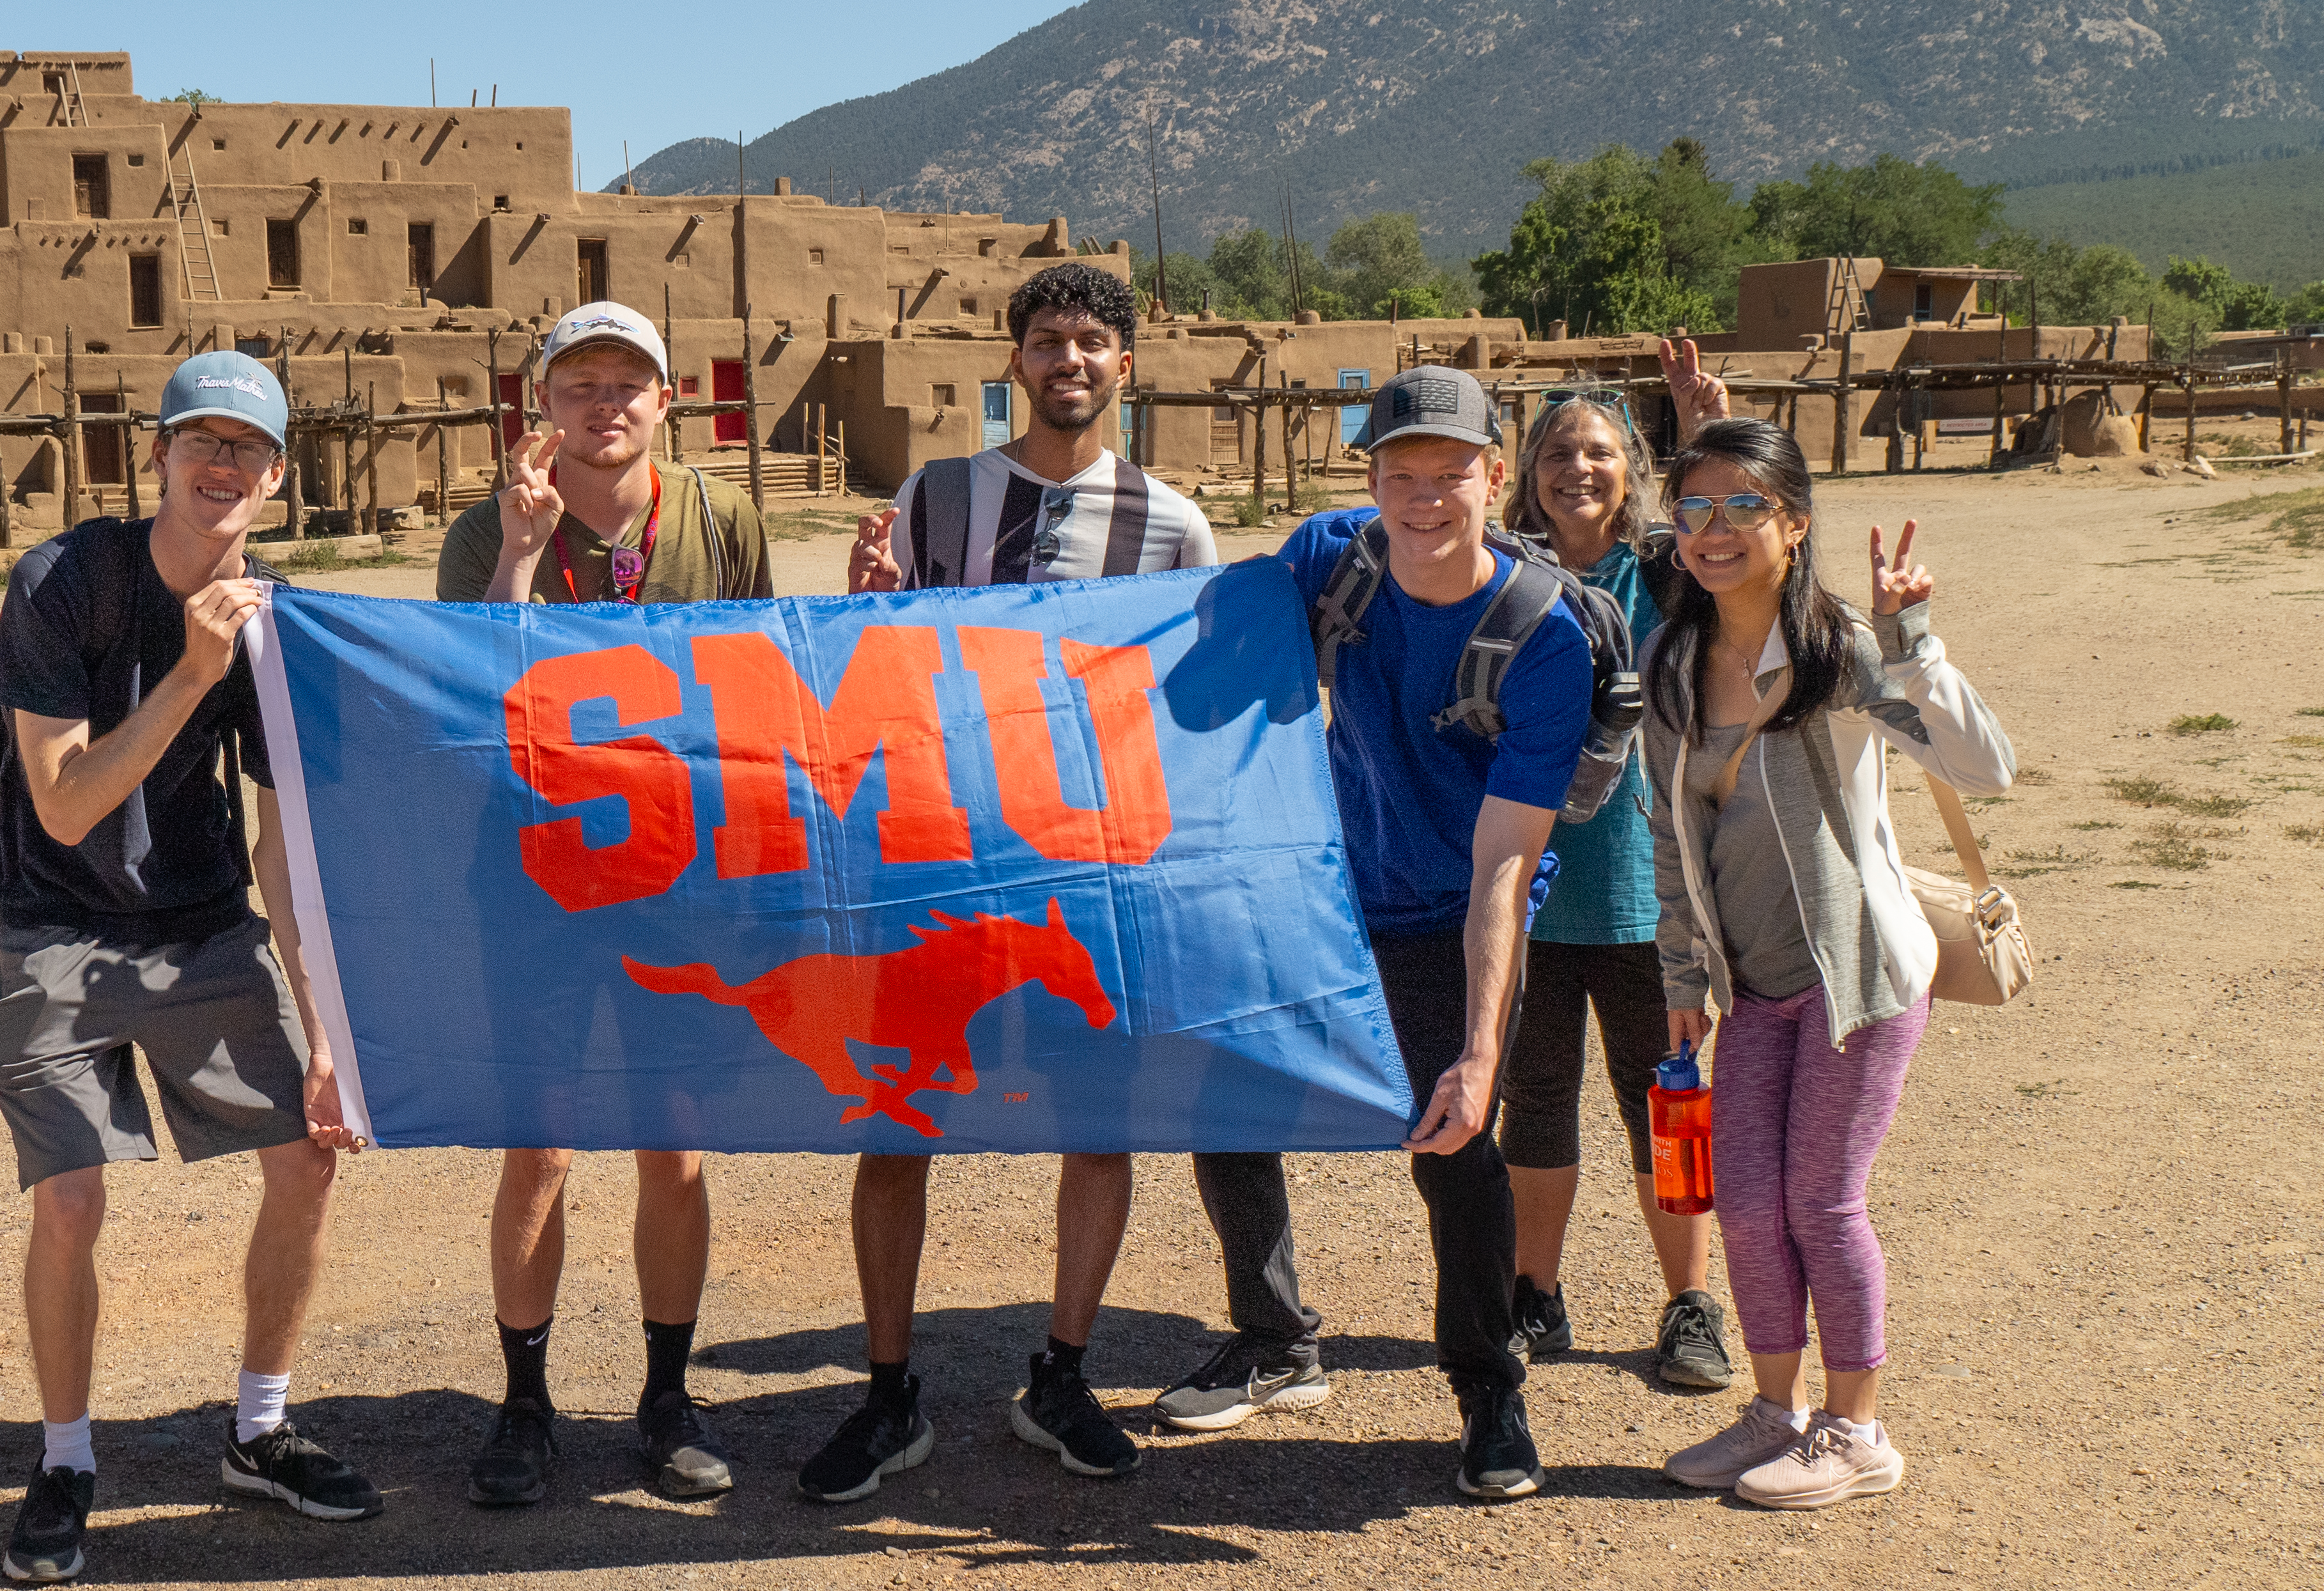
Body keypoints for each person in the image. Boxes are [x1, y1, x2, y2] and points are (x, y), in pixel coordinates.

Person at [805, 259, 1218, 1502]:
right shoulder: (938, 502)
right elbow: (875, 679)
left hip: (1089, 884)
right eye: (1046, 340)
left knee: (1096, 1130)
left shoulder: (1174, 527)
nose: (1069, 361)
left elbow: (1188, 715)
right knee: (898, 1125)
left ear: (1124, 368)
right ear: (1013, 361)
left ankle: (1062, 1371)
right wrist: (863, 617)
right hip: (937, 863)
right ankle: (888, 1390)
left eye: (1092, 342)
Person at [0, 348, 375, 1582]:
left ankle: (258, 1429)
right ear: (156, 455)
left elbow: (282, 840)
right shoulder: (65, 582)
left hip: (197, 926)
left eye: (246, 448)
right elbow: (67, 802)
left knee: (308, 1157)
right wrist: (195, 670)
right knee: (74, 1196)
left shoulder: (274, 617)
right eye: (199, 440)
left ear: (276, 475)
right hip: (57, 923)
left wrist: (324, 1036)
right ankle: (67, 1457)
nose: (220, 464)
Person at [1162, 366, 1589, 1502]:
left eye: (1451, 473)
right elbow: (1201, 662)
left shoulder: (1544, 640)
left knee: (1456, 1141)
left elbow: (1506, 862)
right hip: (1324, 885)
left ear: (1497, 479)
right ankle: (1275, 1337)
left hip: (1454, 911)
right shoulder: (1330, 556)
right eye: (1401, 473)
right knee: (1226, 1090)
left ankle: (1491, 1389)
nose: (1425, 498)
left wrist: (1483, 1050)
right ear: (1371, 480)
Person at [435, 300, 774, 1505]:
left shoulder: (721, 516)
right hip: (533, 879)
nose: (606, 402)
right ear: (545, 406)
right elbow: (471, 695)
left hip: (681, 883)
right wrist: (525, 553)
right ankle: (524, 1404)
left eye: (629, 381)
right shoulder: (487, 532)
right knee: (541, 1146)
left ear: (667, 400)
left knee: (673, 1144)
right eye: (580, 383)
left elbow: (760, 679)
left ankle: (667, 1395)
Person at [1647, 419, 2012, 1510]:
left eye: (1744, 507)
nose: (1716, 530)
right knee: (1748, 1206)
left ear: (1793, 525)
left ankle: (1857, 1432)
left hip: (1858, 980)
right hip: (1754, 988)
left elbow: (1984, 768)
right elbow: (1671, 841)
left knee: (1822, 1201)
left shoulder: (1836, 651)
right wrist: (1682, 982)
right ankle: (1776, 1409)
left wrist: (1916, 641)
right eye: (1695, 508)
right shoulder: (1669, 661)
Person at [1492, 372, 1734, 1390]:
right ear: (1529, 478)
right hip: (1532, 888)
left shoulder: (1666, 576)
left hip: (1649, 893)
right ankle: (1531, 1297)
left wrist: (1709, 431)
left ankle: (1690, 1304)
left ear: (1631, 471)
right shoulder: (1501, 577)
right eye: (1557, 454)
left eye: (1598, 452)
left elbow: (1748, 548)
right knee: (1535, 1096)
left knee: (1667, 1102)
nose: (1578, 470)